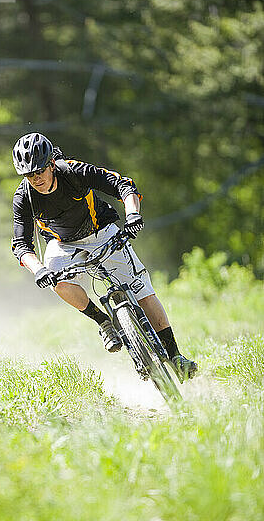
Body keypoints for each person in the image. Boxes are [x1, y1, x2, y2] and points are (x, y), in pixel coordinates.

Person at [11, 132, 197, 380]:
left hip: (101, 230)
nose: (36, 179)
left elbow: (123, 184)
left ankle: (175, 357)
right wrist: (39, 271)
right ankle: (103, 322)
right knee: (56, 281)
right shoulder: (24, 197)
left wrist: (133, 215)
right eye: (29, 175)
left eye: (40, 172)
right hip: (62, 243)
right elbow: (21, 244)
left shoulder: (74, 172)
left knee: (141, 289)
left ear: (51, 165)